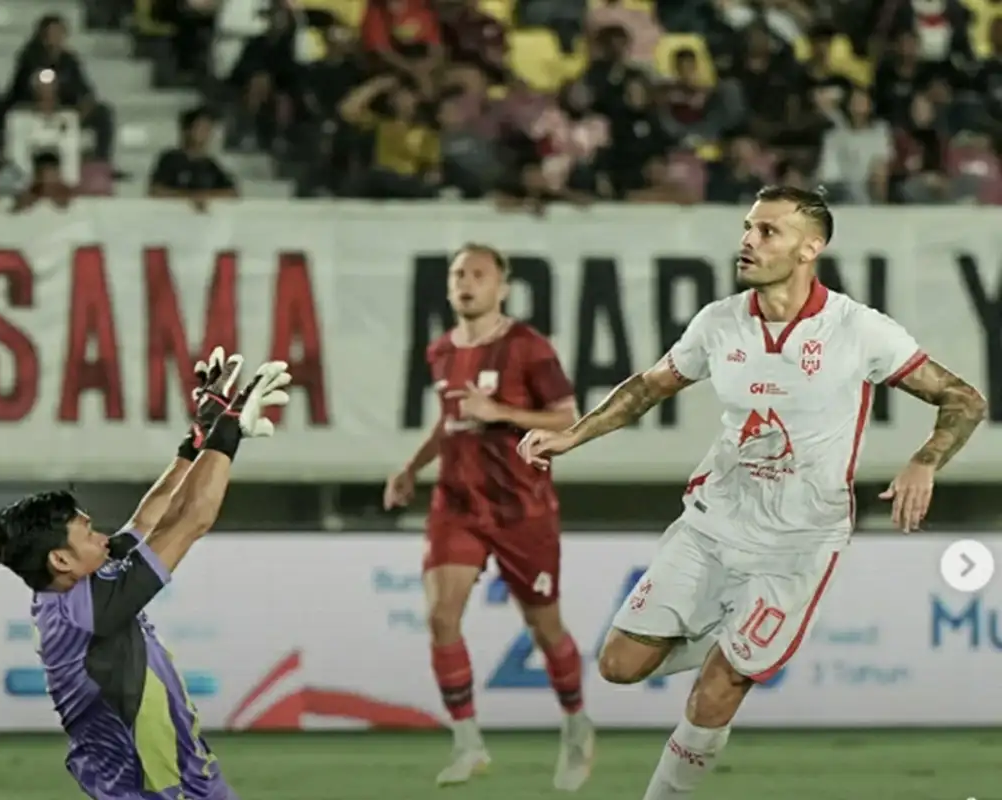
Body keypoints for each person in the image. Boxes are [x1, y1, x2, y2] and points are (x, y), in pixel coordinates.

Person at [518, 185, 987, 800]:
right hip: (714, 523)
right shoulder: (719, 322)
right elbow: (649, 386)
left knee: (719, 687)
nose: (748, 240)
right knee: (619, 666)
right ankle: (740, 637)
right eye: (748, 227)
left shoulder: (858, 330)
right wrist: (571, 437)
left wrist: (925, 461)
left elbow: (964, 399)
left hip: (798, 544)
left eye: (768, 231)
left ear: (808, 249)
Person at [0, 350, 290, 800]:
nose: (103, 538)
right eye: (87, 532)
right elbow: (191, 521)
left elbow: (149, 521)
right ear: (61, 560)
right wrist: (225, 436)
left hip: (183, 773)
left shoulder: (73, 588)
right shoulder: (87, 612)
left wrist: (195, 444)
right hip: (149, 787)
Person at [383, 244, 592, 790]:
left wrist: (498, 412)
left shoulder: (528, 347)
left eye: (479, 275)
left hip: (522, 508)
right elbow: (449, 421)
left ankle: (575, 724)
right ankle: (468, 741)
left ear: (502, 287)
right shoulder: (440, 351)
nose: (466, 283)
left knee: (544, 628)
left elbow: (566, 418)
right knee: (441, 617)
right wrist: (410, 468)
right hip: (457, 504)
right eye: (458, 274)